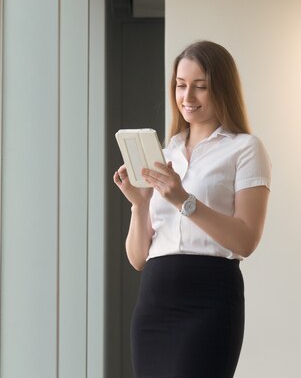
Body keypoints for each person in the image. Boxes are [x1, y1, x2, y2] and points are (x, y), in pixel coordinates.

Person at [113, 40, 271, 378]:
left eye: (200, 87)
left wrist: (183, 200)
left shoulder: (245, 149)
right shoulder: (165, 152)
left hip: (210, 299)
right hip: (154, 302)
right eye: (181, 86)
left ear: (222, 89)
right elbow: (139, 258)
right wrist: (140, 206)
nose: (188, 97)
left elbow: (245, 240)